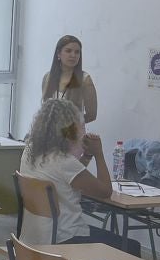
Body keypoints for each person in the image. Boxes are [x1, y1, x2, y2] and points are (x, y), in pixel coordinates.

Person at [15, 97, 113, 245]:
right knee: (130, 245)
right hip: (66, 237)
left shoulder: (30, 150)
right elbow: (105, 191)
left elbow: (68, 178)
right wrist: (98, 154)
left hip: (36, 236)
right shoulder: (63, 161)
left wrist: (86, 155)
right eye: (81, 127)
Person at [40, 33, 99, 128]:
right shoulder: (48, 77)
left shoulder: (85, 79)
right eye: (68, 51)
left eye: (77, 52)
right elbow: (45, 108)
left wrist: (71, 124)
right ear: (59, 54)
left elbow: (92, 115)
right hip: (49, 133)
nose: (73, 55)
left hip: (72, 134)